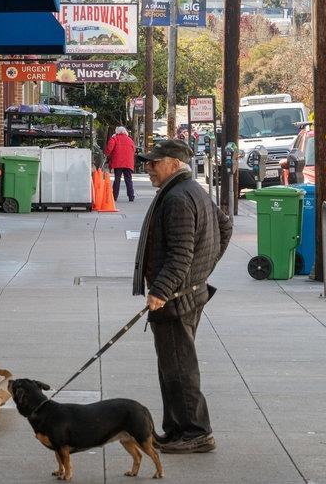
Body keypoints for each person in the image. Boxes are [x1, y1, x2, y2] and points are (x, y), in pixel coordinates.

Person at [132, 139, 232, 454]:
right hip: (187, 291)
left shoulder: (178, 197)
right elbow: (224, 227)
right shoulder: (191, 190)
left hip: (176, 297)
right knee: (171, 365)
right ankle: (175, 428)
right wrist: (202, 270)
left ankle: (196, 431)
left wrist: (162, 290)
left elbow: (180, 254)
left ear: (174, 163)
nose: (148, 168)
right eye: (147, 162)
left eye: (154, 162)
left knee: (179, 366)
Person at [104, 126, 137, 202]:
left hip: (118, 162)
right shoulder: (130, 140)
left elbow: (109, 148)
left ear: (117, 132)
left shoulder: (114, 138)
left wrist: (106, 154)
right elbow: (134, 150)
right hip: (128, 163)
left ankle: (114, 196)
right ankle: (131, 196)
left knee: (117, 179)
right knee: (128, 179)